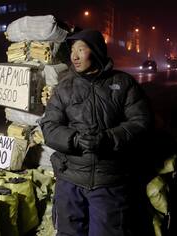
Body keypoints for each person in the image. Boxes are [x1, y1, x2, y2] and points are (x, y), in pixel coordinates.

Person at [40, 29, 154, 236]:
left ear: (97, 52)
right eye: (72, 50)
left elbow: (141, 122)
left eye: (81, 49)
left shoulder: (124, 84)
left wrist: (108, 139)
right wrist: (74, 140)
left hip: (109, 182)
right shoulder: (64, 87)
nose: (74, 56)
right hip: (70, 181)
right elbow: (49, 126)